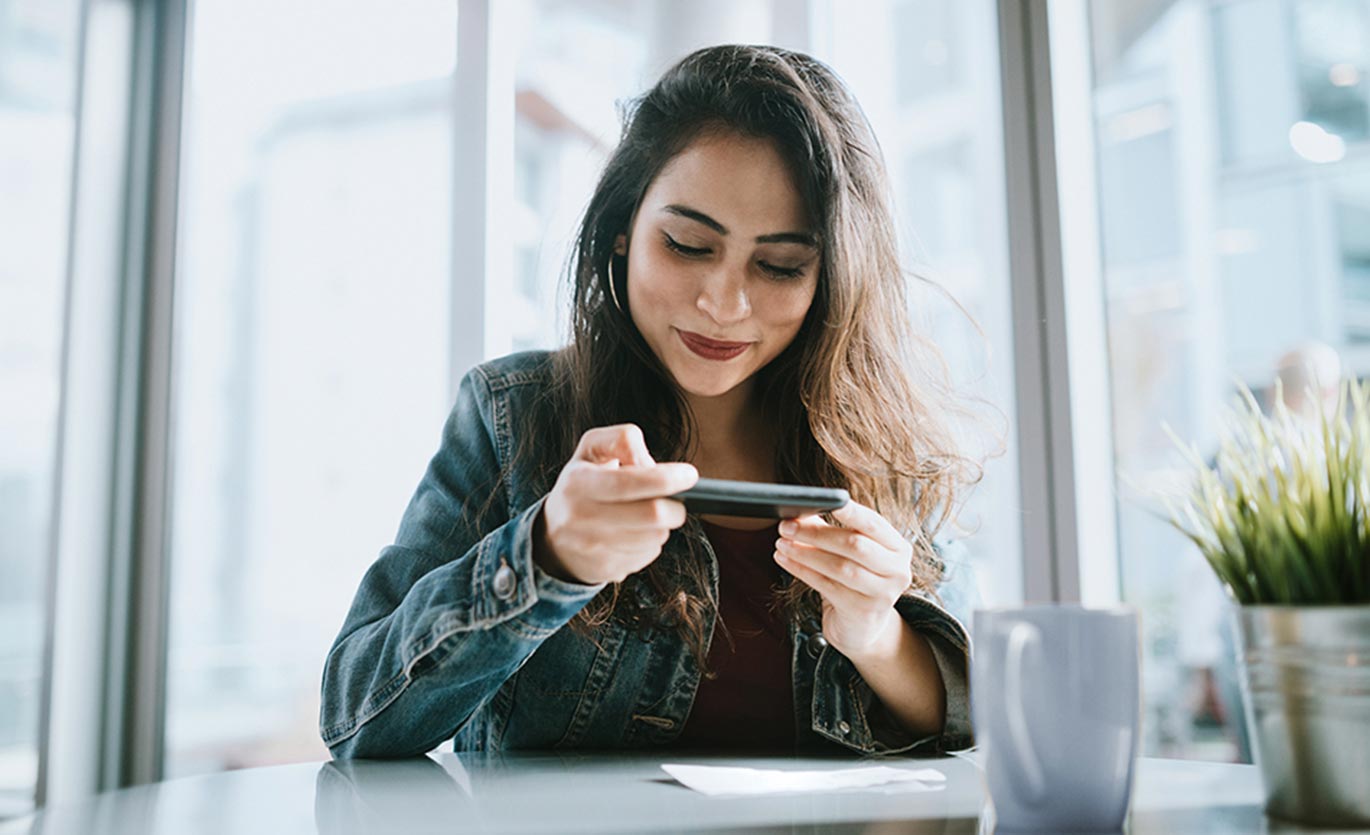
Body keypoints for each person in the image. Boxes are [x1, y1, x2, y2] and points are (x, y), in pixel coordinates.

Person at [319, 44, 982, 759]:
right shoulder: (512, 416)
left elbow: (972, 717)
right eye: (688, 244)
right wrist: (546, 554)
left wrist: (878, 632)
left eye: (780, 265)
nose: (723, 303)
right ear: (621, 232)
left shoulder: (883, 449)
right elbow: (356, 717)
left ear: (832, 280)